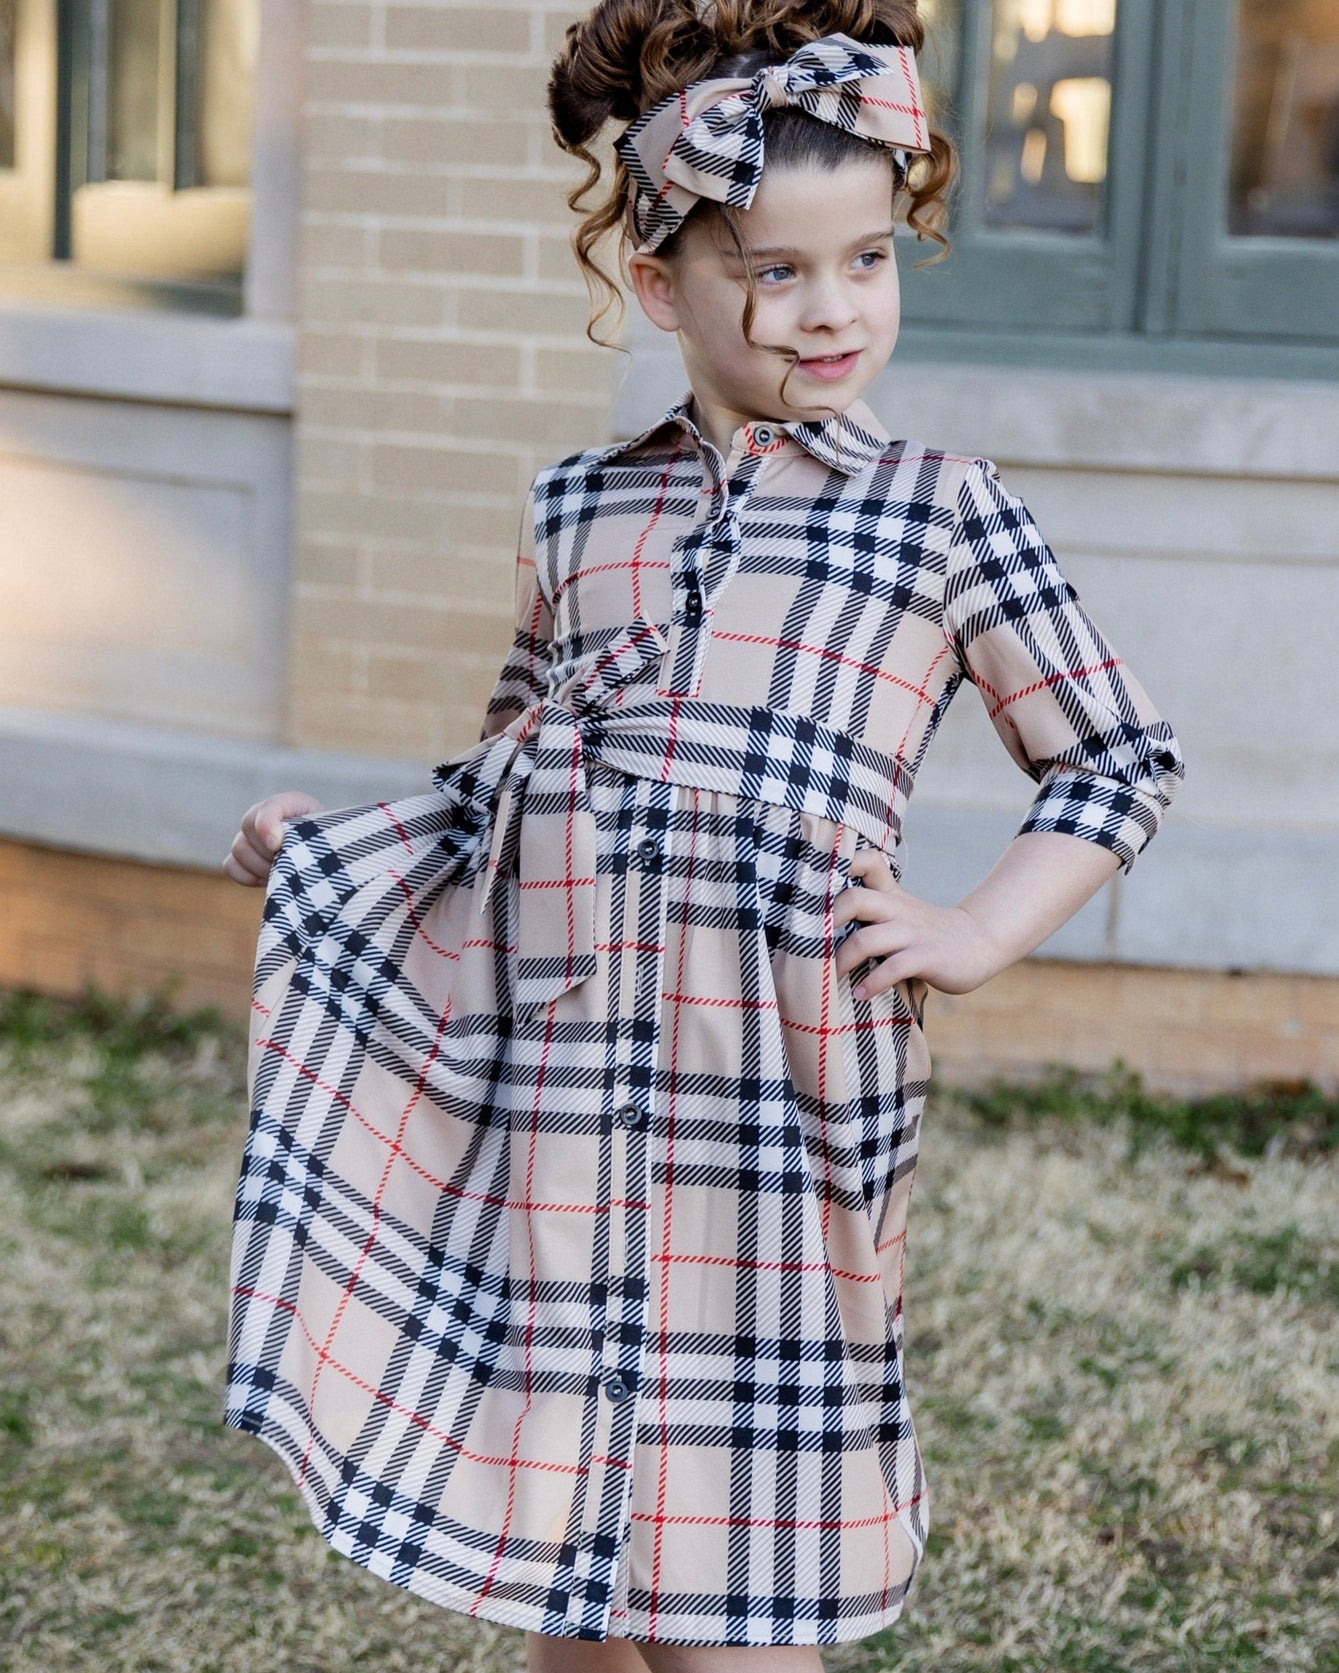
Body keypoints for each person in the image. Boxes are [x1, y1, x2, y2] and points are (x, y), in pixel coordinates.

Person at [221, 2, 1184, 1668]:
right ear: (662, 283)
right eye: (777, 271)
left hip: (784, 1108)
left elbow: (1114, 757)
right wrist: (330, 854)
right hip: (564, 1100)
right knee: (572, 1588)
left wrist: (975, 930)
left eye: (868, 261)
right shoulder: (579, 509)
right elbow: (506, 780)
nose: (833, 311)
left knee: (742, 1607)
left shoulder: (943, 513)